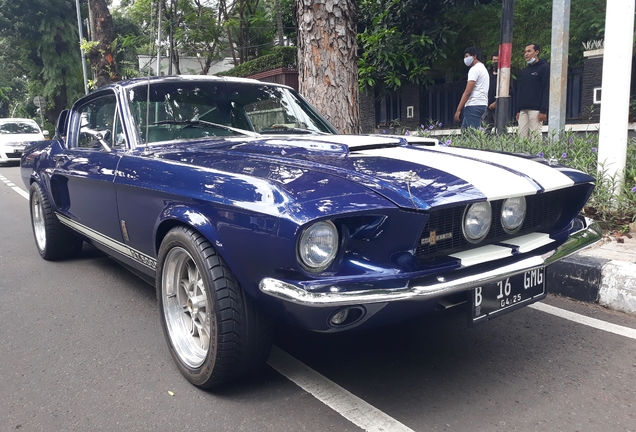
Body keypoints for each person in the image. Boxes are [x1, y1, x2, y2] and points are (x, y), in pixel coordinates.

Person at [515, 43, 550, 138]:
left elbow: (546, 89)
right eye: (525, 52)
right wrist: (518, 109)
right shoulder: (526, 70)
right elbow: (522, 89)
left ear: (536, 52)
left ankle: (536, 153)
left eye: (529, 51)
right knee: (521, 136)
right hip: (523, 109)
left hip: (536, 109)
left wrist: (543, 110)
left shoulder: (544, 67)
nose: (526, 54)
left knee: (535, 136)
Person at [454, 46, 489, 130]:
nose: (465, 59)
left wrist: (458, 109)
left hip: (474, 104)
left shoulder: (474, 69)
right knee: (466, 131)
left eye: (467, 56)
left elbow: (468, 91)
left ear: (474, 56)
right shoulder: (483, 69)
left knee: (473, 134)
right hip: (481, 103)